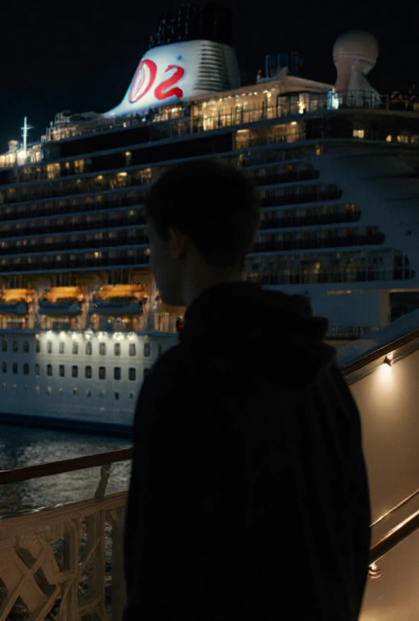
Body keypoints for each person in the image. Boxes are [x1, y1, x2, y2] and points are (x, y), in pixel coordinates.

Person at [122, 159, 371, 620]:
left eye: (150, 241)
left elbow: (162, 571)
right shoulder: (323, 371)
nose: (150, 257)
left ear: (176, 242)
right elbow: (354, 531)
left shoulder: (182, 381)